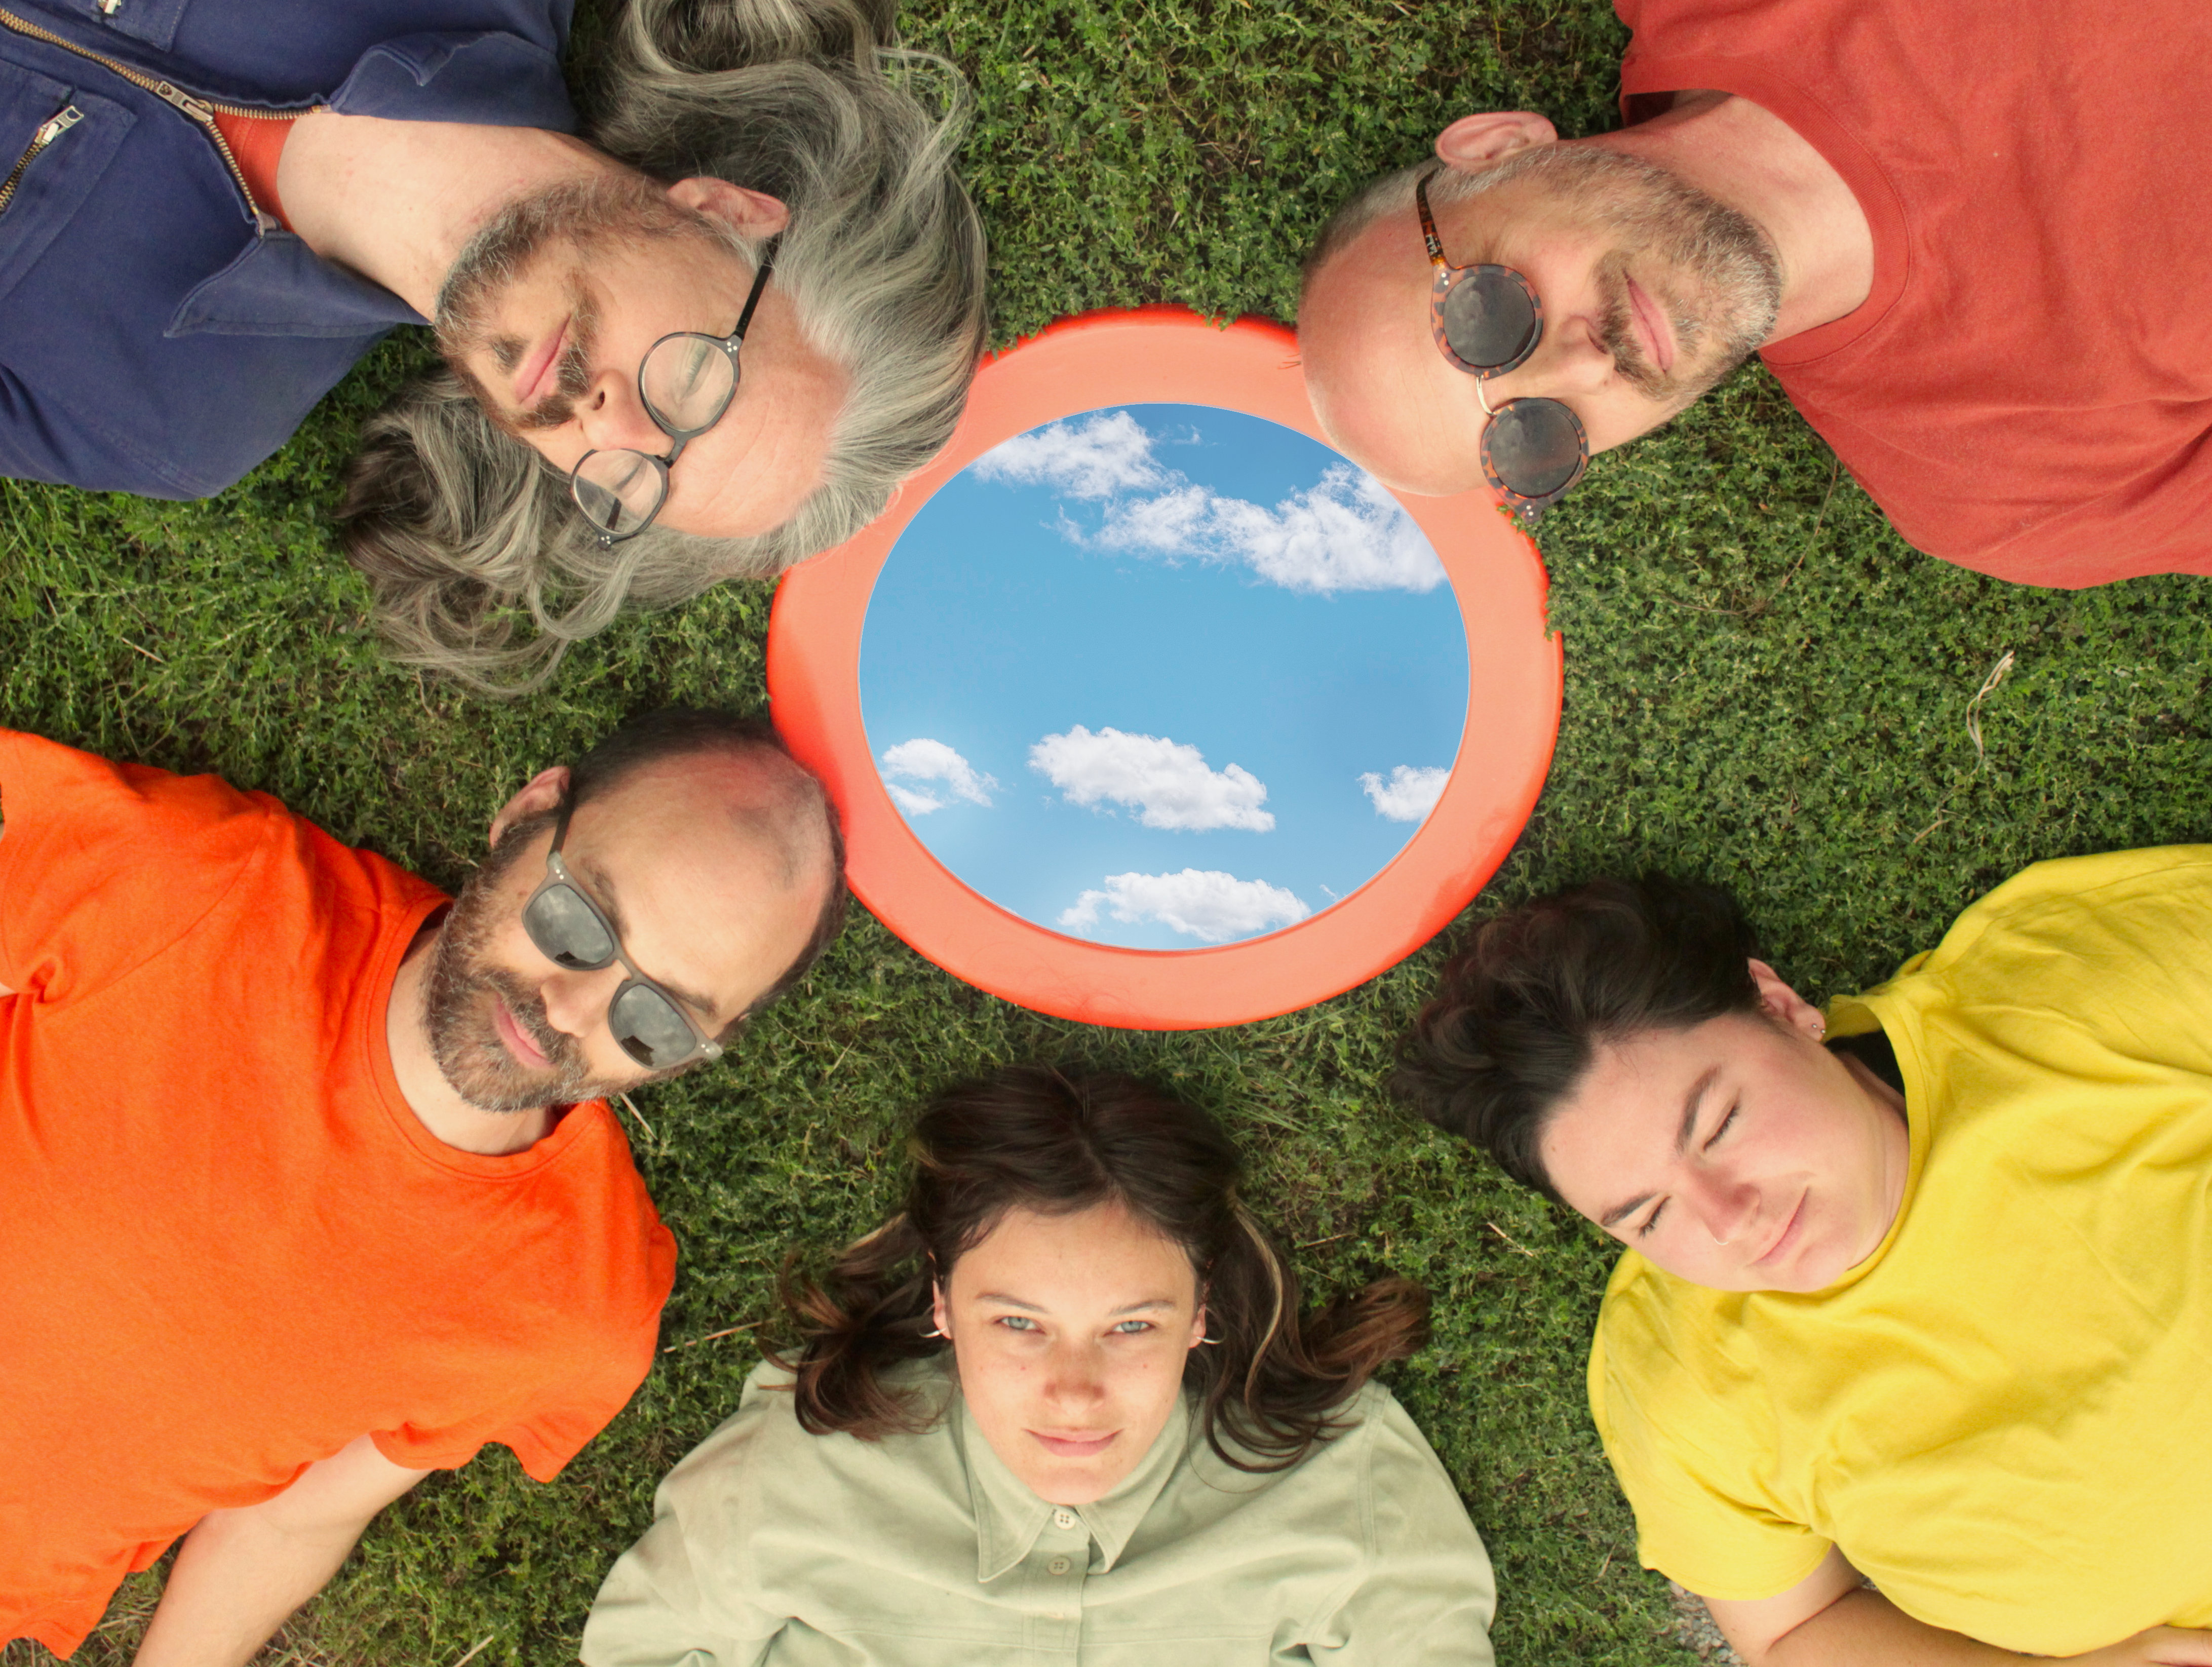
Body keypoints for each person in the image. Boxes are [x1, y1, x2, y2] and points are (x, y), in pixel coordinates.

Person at [0, 706, 845, 1664]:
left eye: (653, 1020)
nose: (569, 1010)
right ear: (529, 813)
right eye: (578, 923)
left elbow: (293, 1520)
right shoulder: (197, 881)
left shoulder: (575, 1306)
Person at [0, 0, 987, 687]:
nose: (613, 425)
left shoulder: (166, 416)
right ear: (725, 211)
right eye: (697, 382)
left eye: (631, 481)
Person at [1394, 851, 2212, 1666]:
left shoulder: (2070, 981)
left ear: (1782, 1008)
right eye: (1648, 1215)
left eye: (1717, 1126)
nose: (1728, 1220)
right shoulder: (1680, 1377)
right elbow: (1791, 1633)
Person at [579, 1065, 1498, 1665]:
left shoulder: (1341, 1474)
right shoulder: (804, 1460)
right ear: (942, 1300)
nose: (1073, 1390)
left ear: (1201, 1309)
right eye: (1020, 1322)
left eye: (1132, 1326)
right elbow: (645, 1646)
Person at [1296, 0, 2212, 587]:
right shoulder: (2002, 492)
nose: (1583, 366)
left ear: (1498, 150)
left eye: (1485, 316)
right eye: (1530, 436)